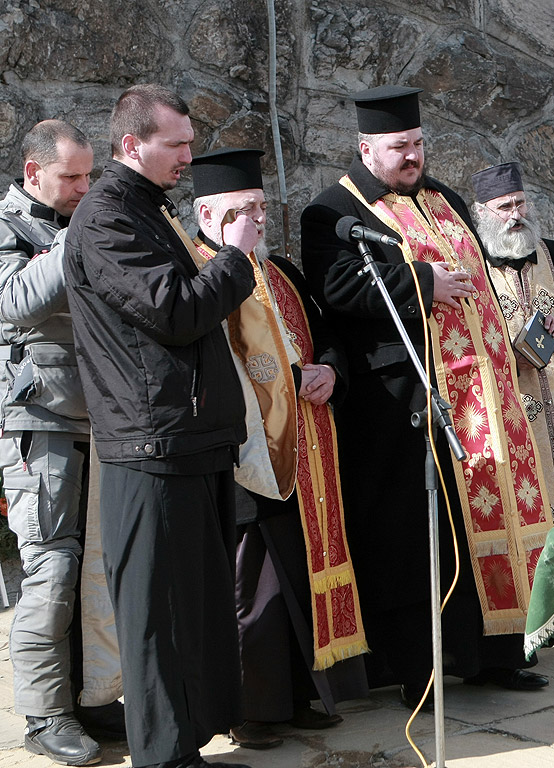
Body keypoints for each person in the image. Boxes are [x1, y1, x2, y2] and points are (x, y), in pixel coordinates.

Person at [301, 85, 551, 707]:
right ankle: (421, 667)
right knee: (414, 537)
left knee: (476, 528)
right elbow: (335, 289)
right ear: (366, 147)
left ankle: (494, 653)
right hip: (399, 402)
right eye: (398, 147)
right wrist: (422, 281)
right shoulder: (332, 209)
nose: (412, 157)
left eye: (417, 144)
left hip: (475, 400)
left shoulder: (444, 198)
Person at [63, 84, 259, 768]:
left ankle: (188, 743)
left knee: (196, 609)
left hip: (186, 437)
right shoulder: (106, 218)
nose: (187, 156)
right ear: (130, 145)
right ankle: (166, 755)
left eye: (188, 142)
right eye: (175, 144)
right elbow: (175, 313)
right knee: (159, 616)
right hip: (150, 446)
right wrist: (234, 258)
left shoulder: (146, 208)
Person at [189, 147, 367, 749]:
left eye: (261, 208)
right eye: (242, 211)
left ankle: (296, 698)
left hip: (307, 450)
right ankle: (250, 709)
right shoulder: (197, 271)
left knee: (298, 577)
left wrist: (331, 371)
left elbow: (329, 333)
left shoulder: (284, 269)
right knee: (253, 589)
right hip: (247, 458)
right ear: (208, 218)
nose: (257, 221)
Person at [0, 119, 122, 766]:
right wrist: (79, 240)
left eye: (87, 176)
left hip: (100, 423)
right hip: (39, 427)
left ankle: (94, 697)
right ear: (32, 172)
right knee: (50, 572)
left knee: (96, 574)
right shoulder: (10, 227)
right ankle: (46, 716)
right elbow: (14, 300)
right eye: (70, 177)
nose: (83, 187)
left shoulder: (74, 222)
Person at [469, 161, 554, 648]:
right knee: (525, 504)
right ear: (483, 213)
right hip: (507, 405)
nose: (515, 215)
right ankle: (531, 611)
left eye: (520, 204)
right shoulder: (475, 263)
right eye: (504, 207)